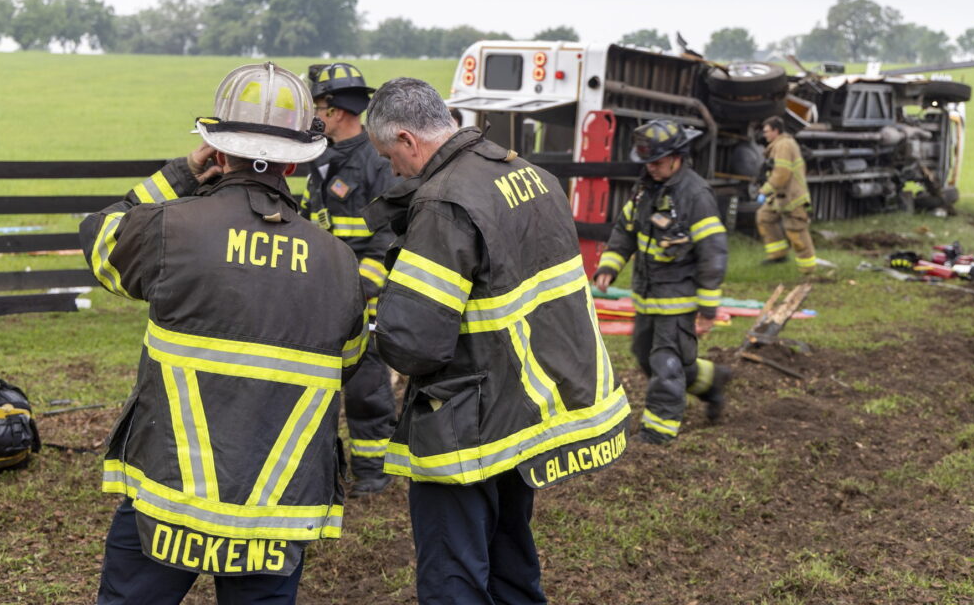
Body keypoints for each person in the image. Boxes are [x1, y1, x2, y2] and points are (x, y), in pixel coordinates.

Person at [79, 63, 368, 604]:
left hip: (171, 498)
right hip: (276, 508)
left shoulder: (171, 230)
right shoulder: (339, 262)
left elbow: (100, 237)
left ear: (219, 150)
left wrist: (183, 174)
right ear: (295, 161)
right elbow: (349, 358)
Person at [362, 77, 630, 604]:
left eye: (390, 156)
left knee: (453, 574)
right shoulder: (528, 174)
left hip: (467, 421)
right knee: (511, 558)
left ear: (408, 140)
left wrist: (376, 317)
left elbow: (415, 342)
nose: (393, 170)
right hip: (525, 410)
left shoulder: (443, 203)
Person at [593, 119, 731, 444]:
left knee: (666, 363)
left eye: (656, 161)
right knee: (646, 356)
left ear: (676, 156)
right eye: (647, 162)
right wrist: (609, 267)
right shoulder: (645, 189)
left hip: (679, 301)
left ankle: (657, 435)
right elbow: (625, 230)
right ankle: (712, 382)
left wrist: (708, 308)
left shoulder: (695, 194)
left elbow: (714, 253)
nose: (651, 168)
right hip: (647, 297)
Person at [301, 62, 398, 497]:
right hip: (319, 294)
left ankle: (373, 472)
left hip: (365, 297)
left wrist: (362, 288)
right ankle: (321, 469)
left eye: (319, 106)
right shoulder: (317, 158)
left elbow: (389, 236)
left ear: (338, 110)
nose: (314, 114)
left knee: (366, 388)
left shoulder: (376, 162)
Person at [756, 115, 816, 274]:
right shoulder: (779, 145)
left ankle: (808, 269)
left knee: (796, 232)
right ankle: (778, 254)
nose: (765, 135)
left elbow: (782, 174)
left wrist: (765, 190)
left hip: (793, 197)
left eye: (767, 131)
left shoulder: (784, 145)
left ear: (776, 131)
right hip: (780, 196)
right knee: (765, 217)